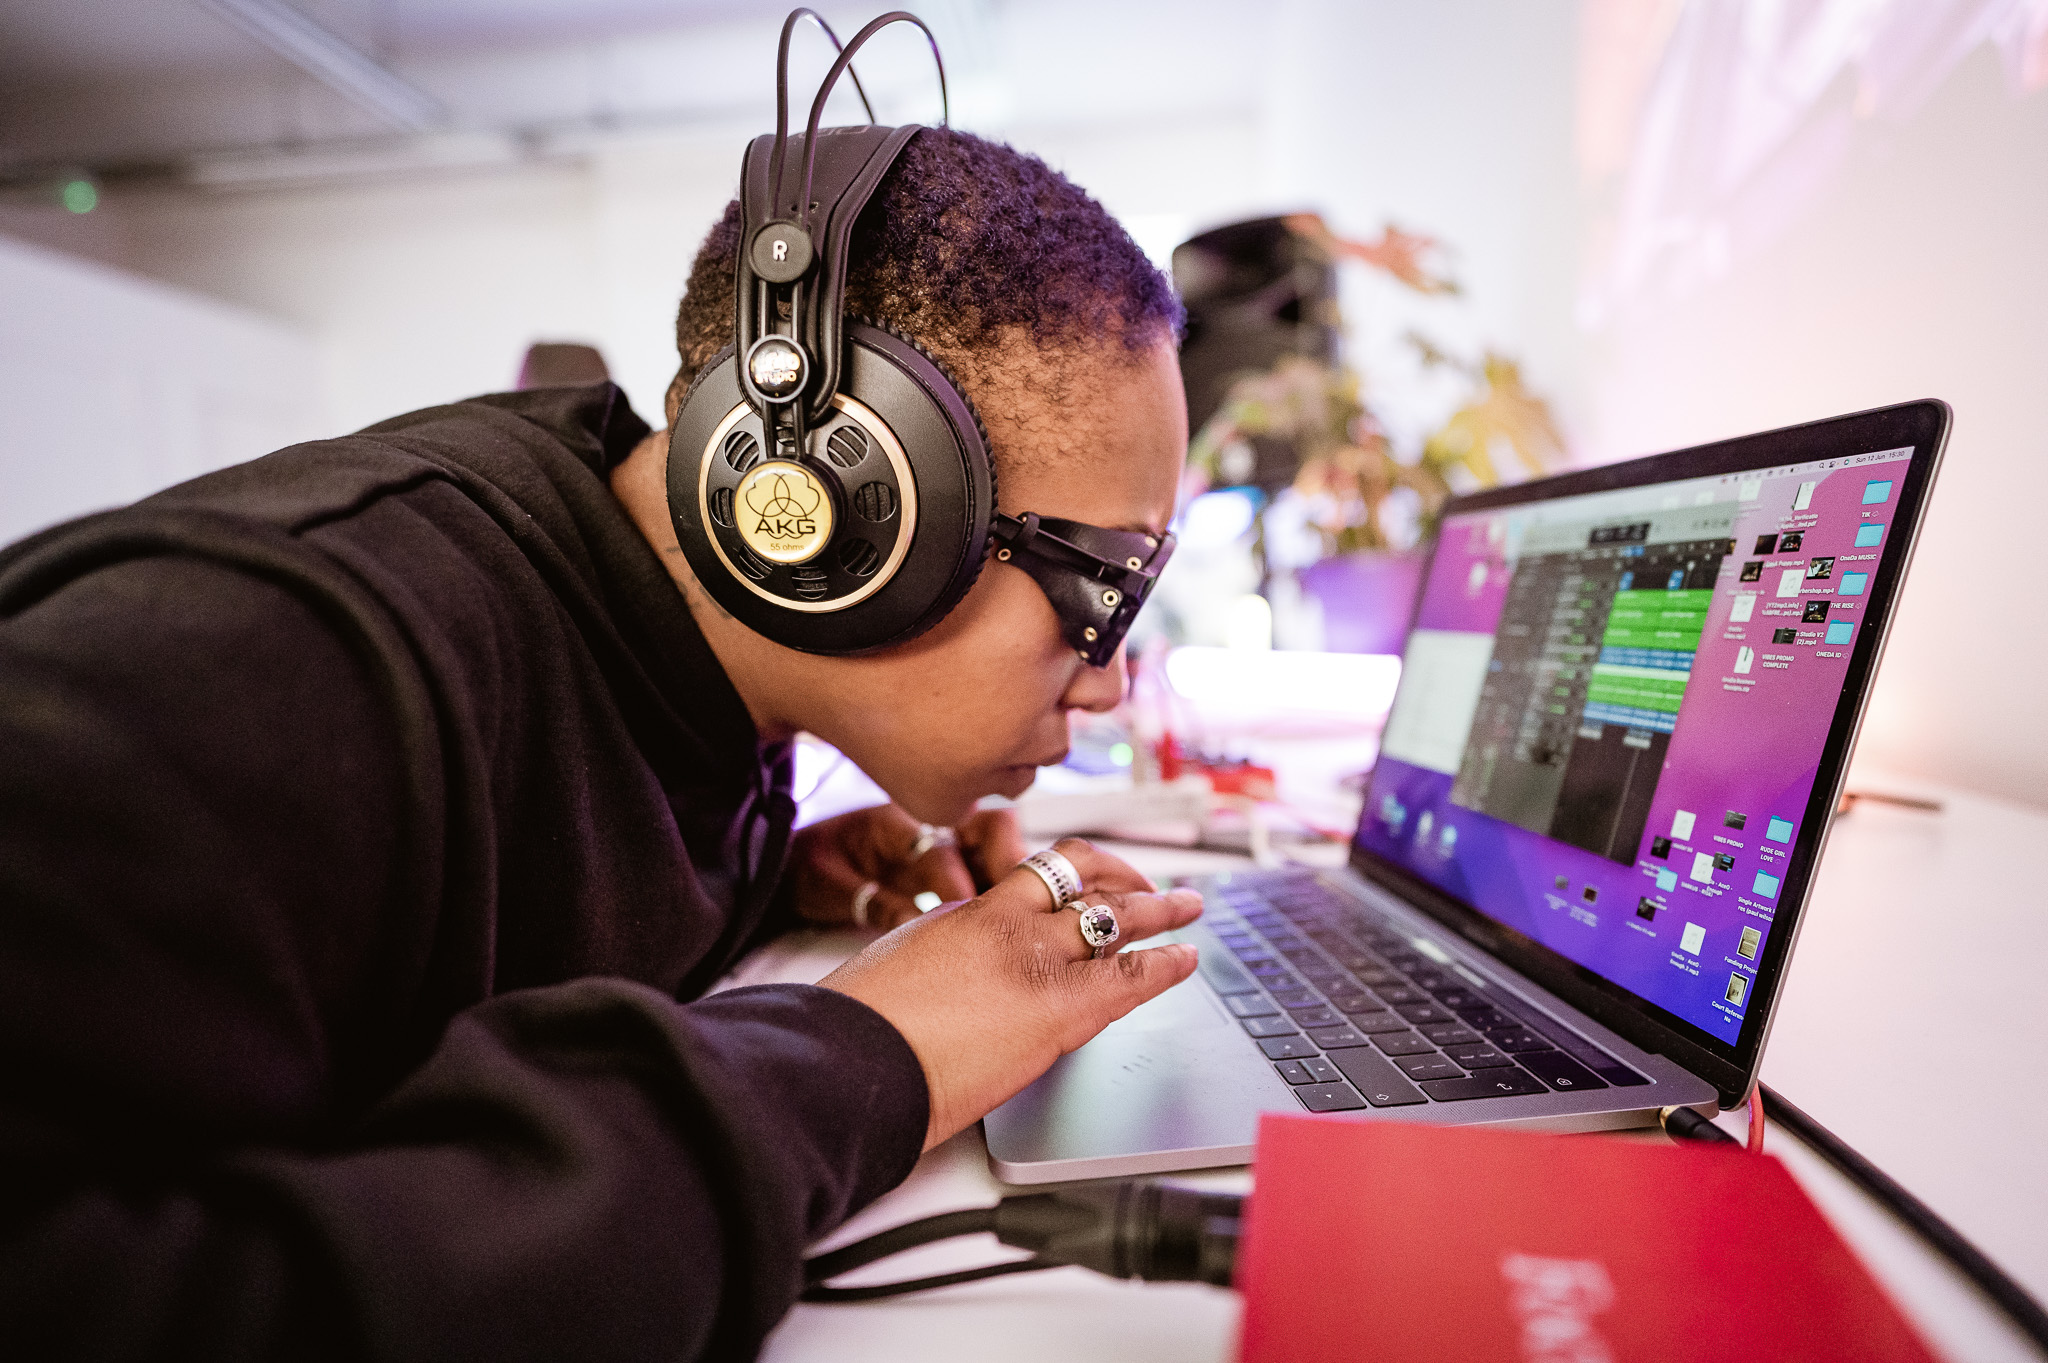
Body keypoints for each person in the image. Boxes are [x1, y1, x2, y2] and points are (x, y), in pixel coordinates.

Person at [0, 126, 1200, 1359]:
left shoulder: (678, 653)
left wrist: (760, 878)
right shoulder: (268, 659)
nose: (1108, 681)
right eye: (1098, 586)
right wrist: (869, 1057)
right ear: (837, 510)